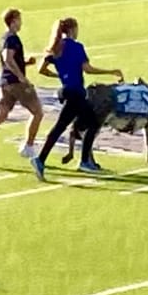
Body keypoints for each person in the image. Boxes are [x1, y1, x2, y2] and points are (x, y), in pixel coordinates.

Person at [30, 16, 122, 180]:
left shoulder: (56, 47)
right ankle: (83, 162)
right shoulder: (77, 47)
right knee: (92, 123)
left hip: (68, 91)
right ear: (73, 30)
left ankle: (42, 160)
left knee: (61, 127)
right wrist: (110, 72)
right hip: (77, 93)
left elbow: (41, 69)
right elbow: (87, 69)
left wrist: (59, 75)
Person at [0, 7, 43, 166]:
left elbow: (10, 60)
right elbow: (8, 59)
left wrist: (25, 63)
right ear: (13, 21)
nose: (21, 23)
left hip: (6, 83)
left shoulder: (5, 38)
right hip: (16, 83)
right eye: (19, 19)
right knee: (38, 112)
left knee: (1, 114)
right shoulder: (12, 38)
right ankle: (28, 146)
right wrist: (22, 77)